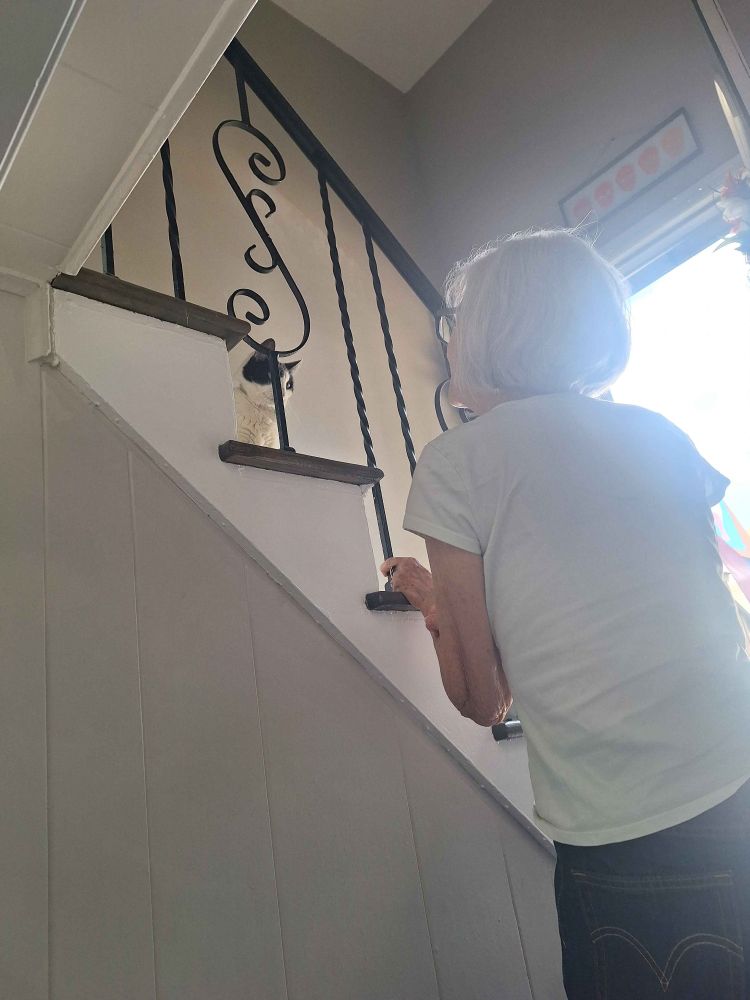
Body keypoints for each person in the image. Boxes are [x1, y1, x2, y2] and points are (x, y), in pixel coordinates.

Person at [383, 229, 750, 1000]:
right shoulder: (658, 432)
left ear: (483, 335)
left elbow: (485, 699)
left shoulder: (456, 463)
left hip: (627, 836)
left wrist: (437, 603)